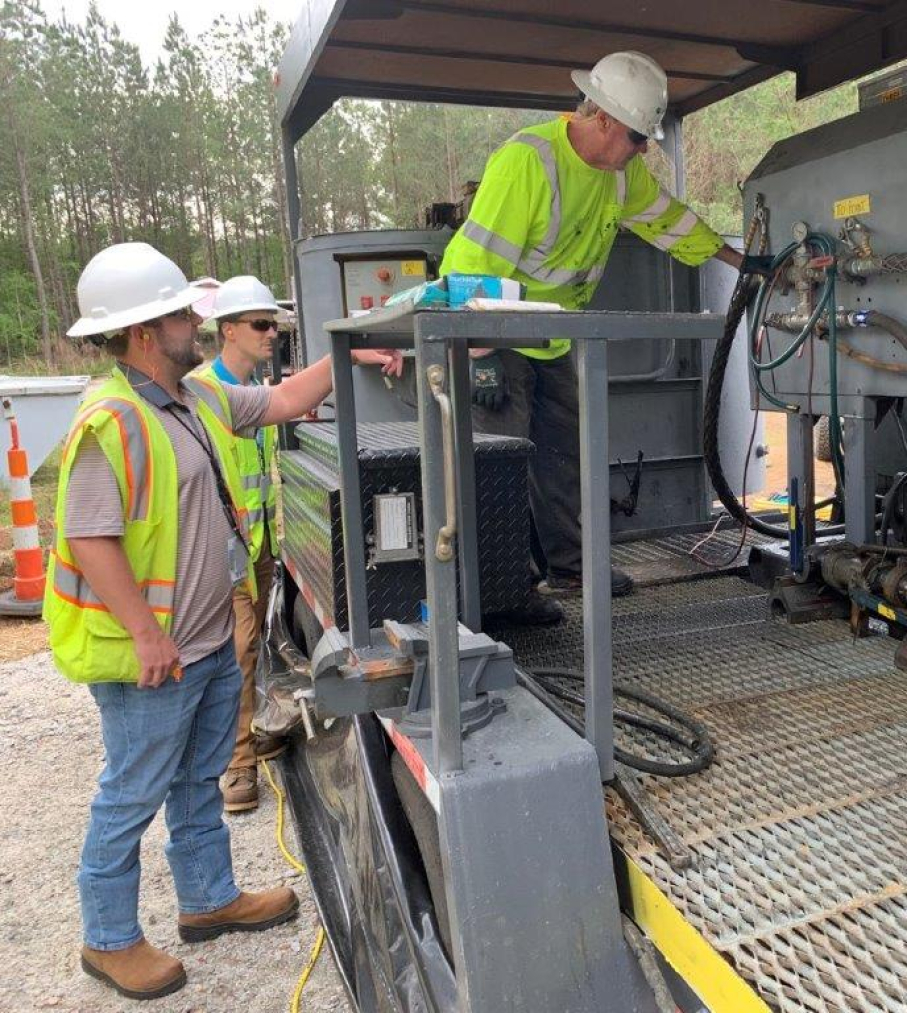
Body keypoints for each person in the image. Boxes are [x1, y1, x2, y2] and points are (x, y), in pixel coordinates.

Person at [48, 242, 402, 1001]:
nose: (194, 323)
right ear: (146, 330)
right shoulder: (110, 418)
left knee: (196, 778)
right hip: (151, 655)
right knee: (131, 792)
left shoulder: (196, 396)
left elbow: (277, 402)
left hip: (204, 644)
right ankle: (108, 939)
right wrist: (146, 632)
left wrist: (357, 355)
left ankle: (208, 896)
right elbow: (89, 535)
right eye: (182, 313)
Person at [440, 51, 772, 625]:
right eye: (638, 139)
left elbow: (669, 220)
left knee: (564, 457)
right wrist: (478, 356)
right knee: (499, 465)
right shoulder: (528, 161)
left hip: (555, 337)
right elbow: (471, 261)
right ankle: (505, 592)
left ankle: (572, 566)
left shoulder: (621, 174)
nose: (643, 150)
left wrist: (741, 261)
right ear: (602, 120)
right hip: (496, 336)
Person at [191, 276, 285, 814]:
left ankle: (246, 740)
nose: (271, 333)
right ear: (228, 330)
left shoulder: (258, 391)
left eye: (273, 324)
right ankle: (238, 767)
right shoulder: (204, 394)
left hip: (259, 545)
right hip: (226, 551)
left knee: (255, 645)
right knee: (239, 651)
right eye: (260, 324)